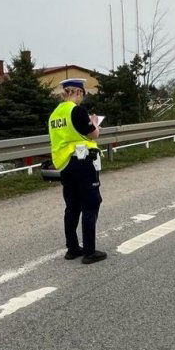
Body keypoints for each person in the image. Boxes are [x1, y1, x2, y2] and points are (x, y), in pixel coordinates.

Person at [48, 78, 106, 265]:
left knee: (72, 206)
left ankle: (72, 249)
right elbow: (93, 134)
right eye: (83, 94)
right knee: (91, 203)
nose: (82, 98)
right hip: (82, 162)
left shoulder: (55, 114)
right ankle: (90, 251)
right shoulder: (77, 111)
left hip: (65, 165)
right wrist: (95, 123)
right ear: (78, 92)